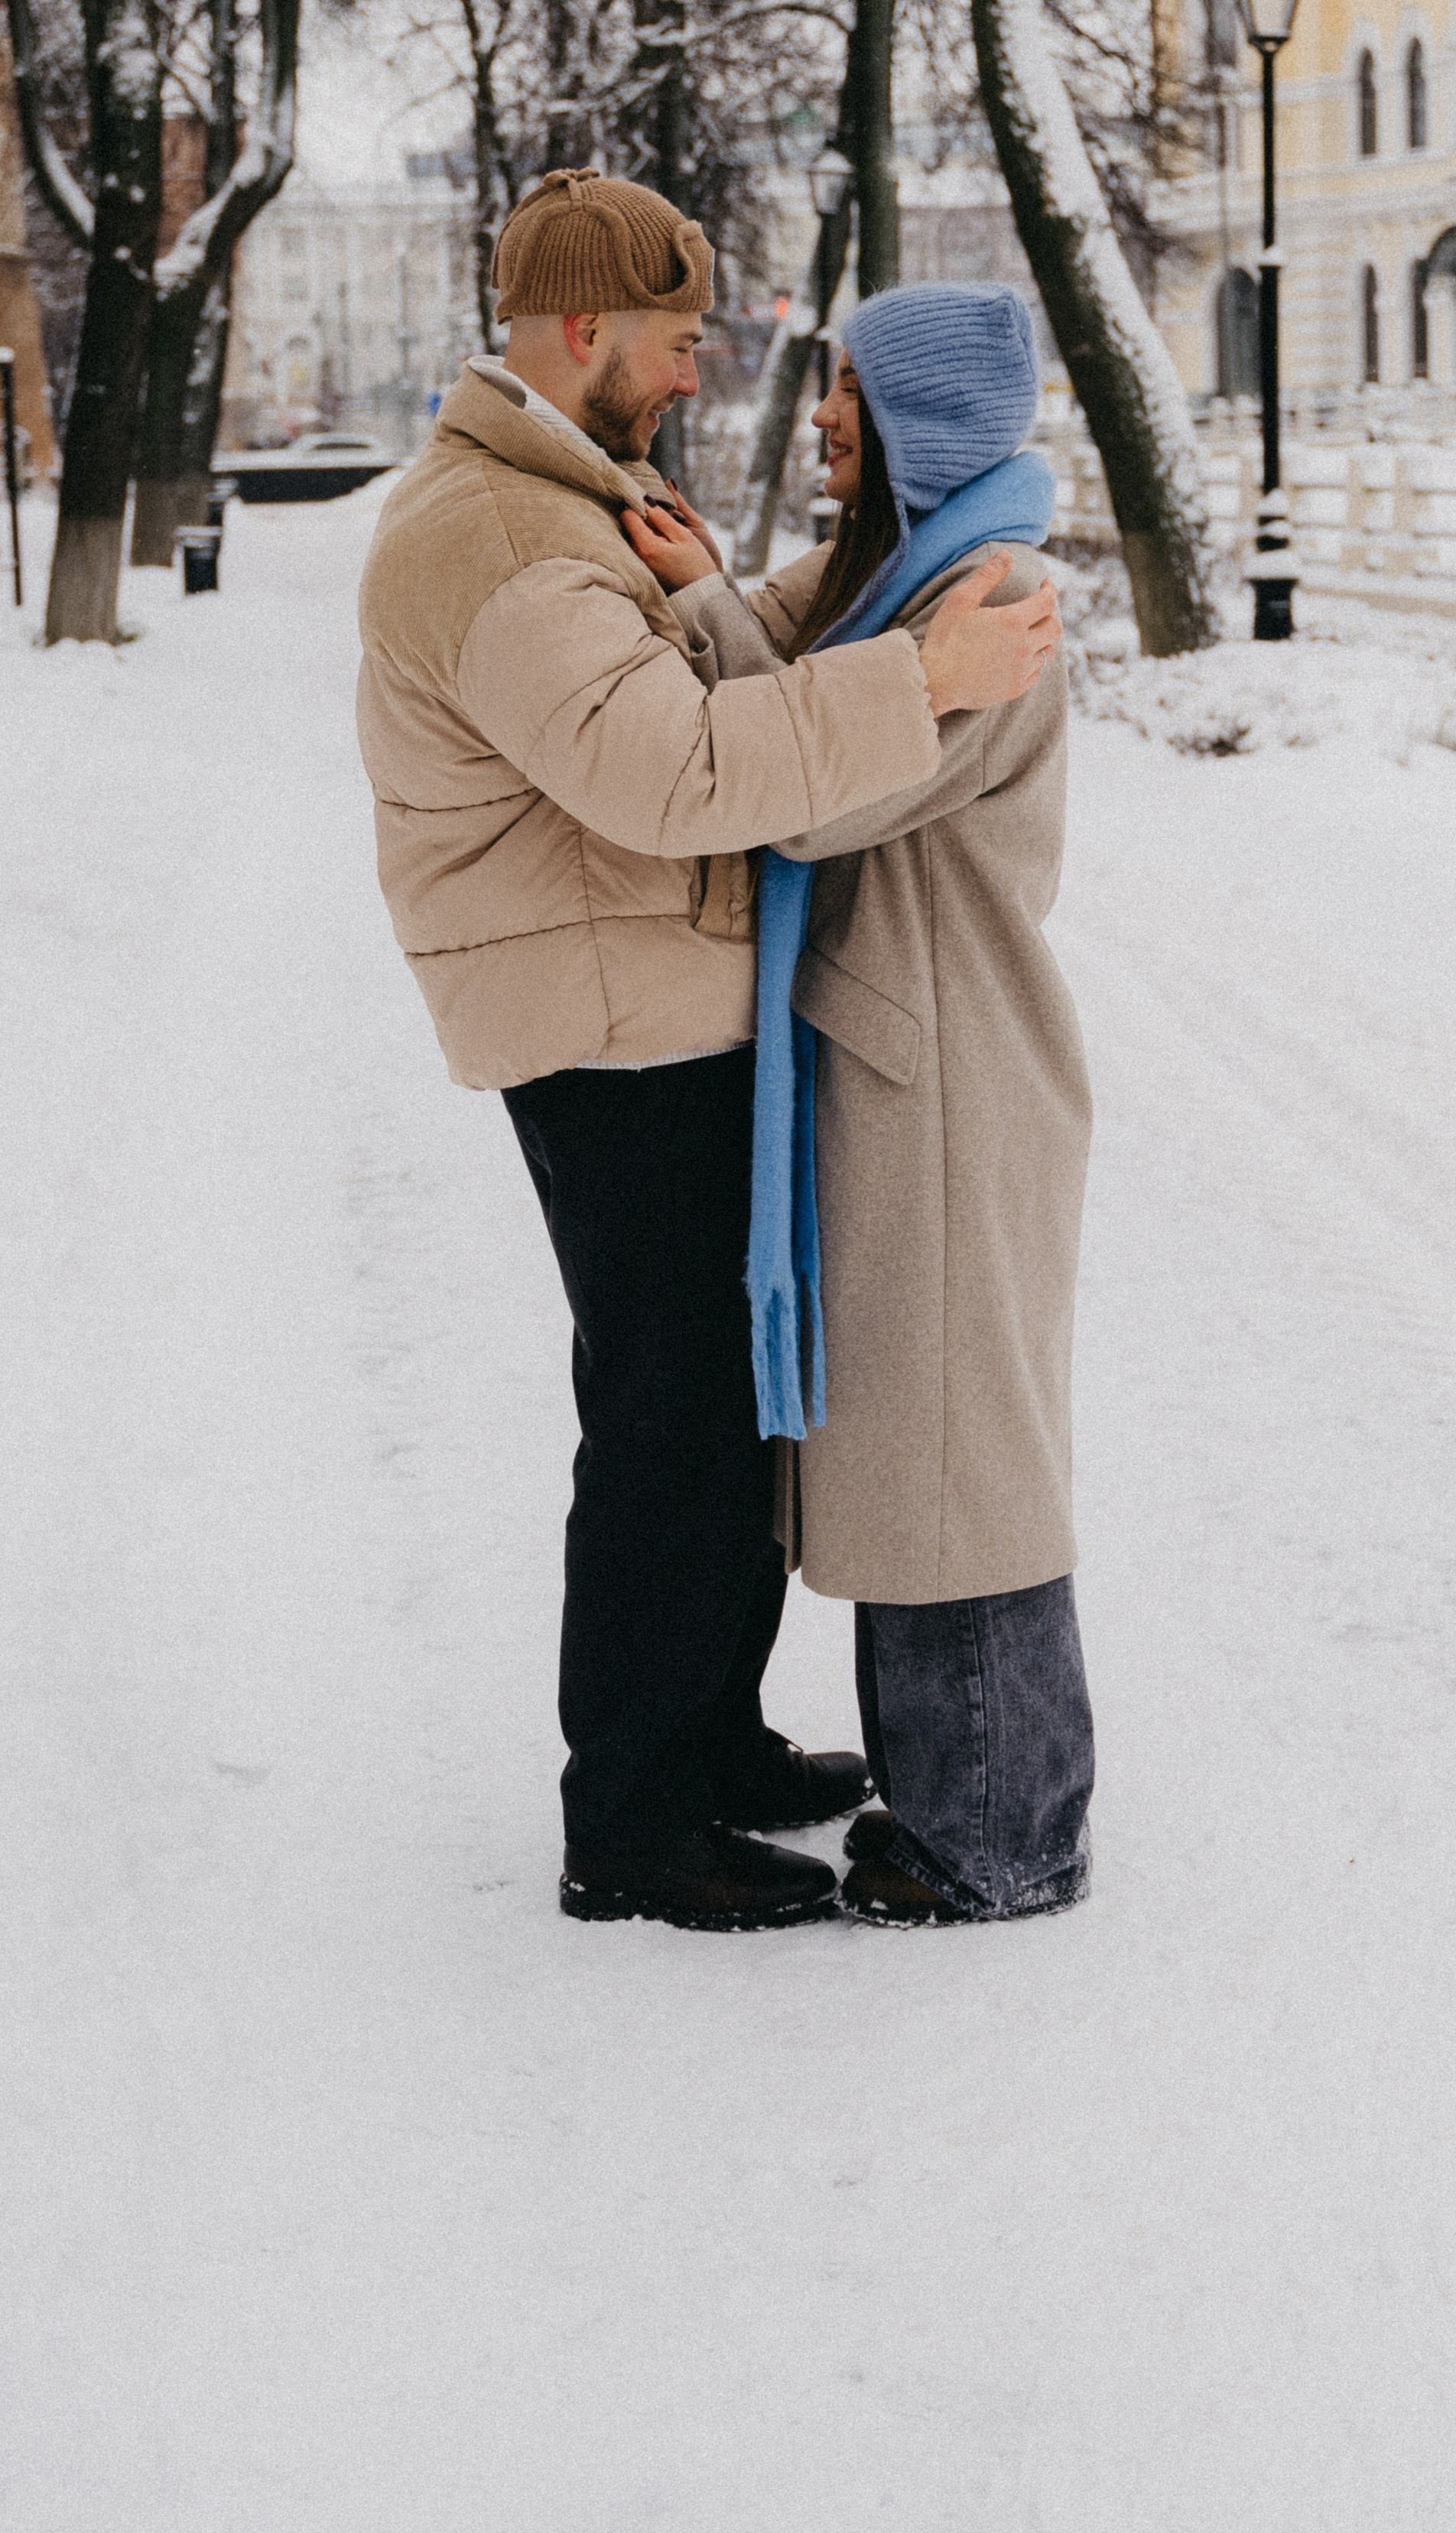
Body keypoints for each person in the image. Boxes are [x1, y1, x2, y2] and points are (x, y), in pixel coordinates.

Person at [355, 173, 1061, 1932]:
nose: (694, 376)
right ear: (583, 328)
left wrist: (731, 600)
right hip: (606, 1027)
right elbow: (675, 772)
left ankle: (707, 1734)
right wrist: (921, 680)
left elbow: (738, 671)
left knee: (716, 1400)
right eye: (673, 342)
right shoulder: (501, 538)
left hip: (649, 1001)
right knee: (668, 1417)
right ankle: (638, 1813)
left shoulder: (557, 498)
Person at [623, 281, 1094, 1927]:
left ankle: (1004, 1832)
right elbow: (817, 679)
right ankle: (966, 1793)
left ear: (920, 422)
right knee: (919, 1444)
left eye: (844, 393)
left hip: (950, 1072)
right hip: (909, 1063)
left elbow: (820, 798)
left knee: (957, 1459)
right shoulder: (902, 577)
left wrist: (723, 629)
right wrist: (714, 605)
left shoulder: (988, 595)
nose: (817, 416)